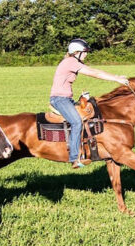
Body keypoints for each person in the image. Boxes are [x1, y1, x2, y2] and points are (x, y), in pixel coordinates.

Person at [49, 38, 129, 169]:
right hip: (59, 99)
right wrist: (116, 78)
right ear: (76, 52)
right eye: (84, 52)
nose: (86, 54)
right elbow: (94, 72)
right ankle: (74, 158)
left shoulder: (72, 61)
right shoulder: (70, 62)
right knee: (76, 122)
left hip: (66, 99)